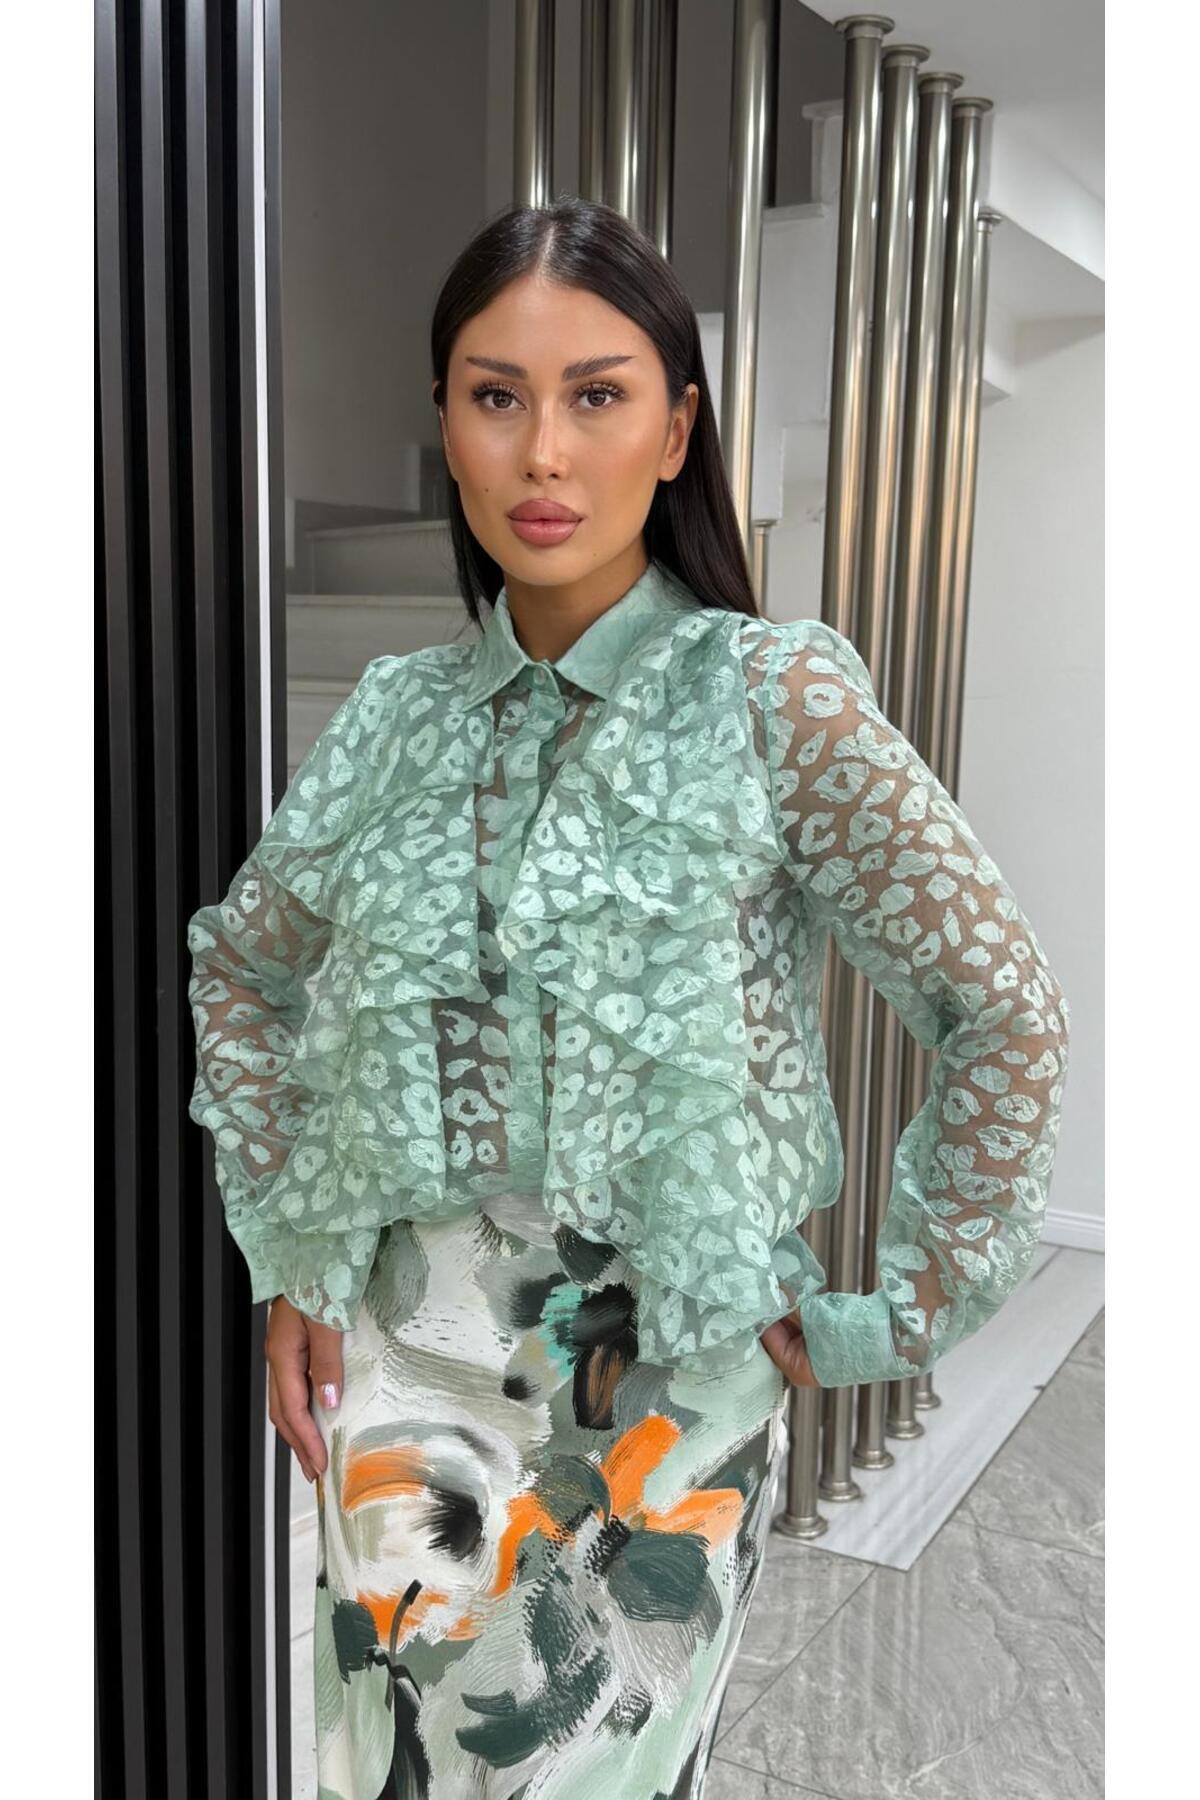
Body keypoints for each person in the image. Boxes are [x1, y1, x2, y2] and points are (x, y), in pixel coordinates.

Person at [185, 198, 1071, 1798]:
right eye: (496, 396)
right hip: (404, 1375)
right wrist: (294, 1260)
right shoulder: (394, 719)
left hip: (667, 1401)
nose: (543, 453)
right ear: (447, 427)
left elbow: (1001, 1007)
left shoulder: (774, 702)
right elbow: (242, 973)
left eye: (597, 396)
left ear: (675, 433)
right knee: (394, 1767)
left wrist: (896, 1311)